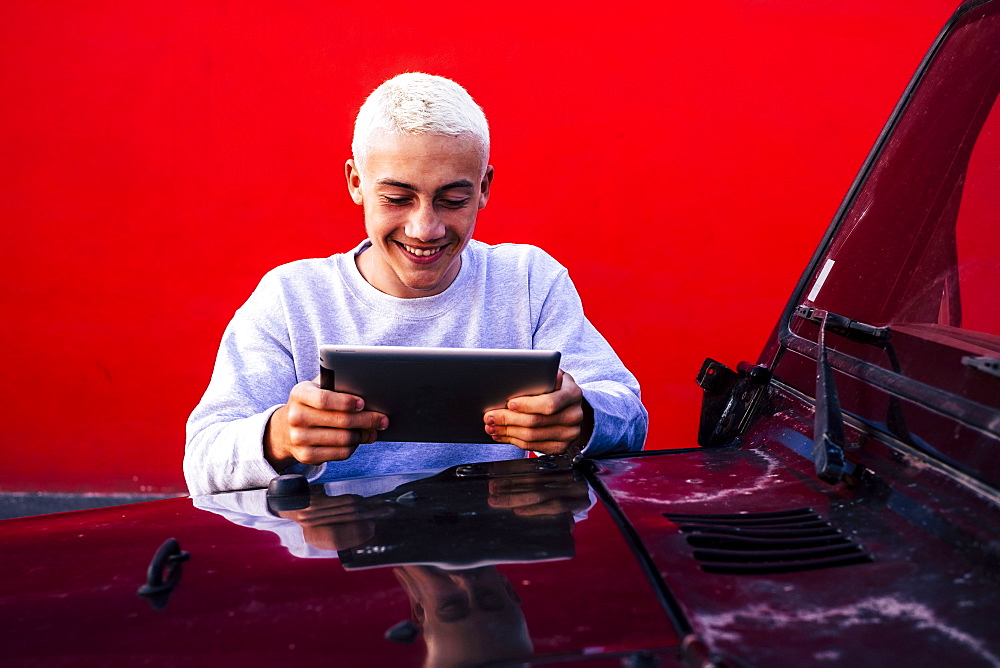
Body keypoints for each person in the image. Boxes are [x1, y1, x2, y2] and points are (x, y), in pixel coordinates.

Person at [184, 72, 647, 496]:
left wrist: (583, 419)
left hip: (494, 542)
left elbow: (629, 417)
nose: (425, 228)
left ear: (484, 188)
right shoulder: (292, 298)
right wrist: (279, 436)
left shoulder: (529, 281)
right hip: (343, 570)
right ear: (355, 182)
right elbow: (202, 460)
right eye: (397, 198)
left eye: (453, 199)